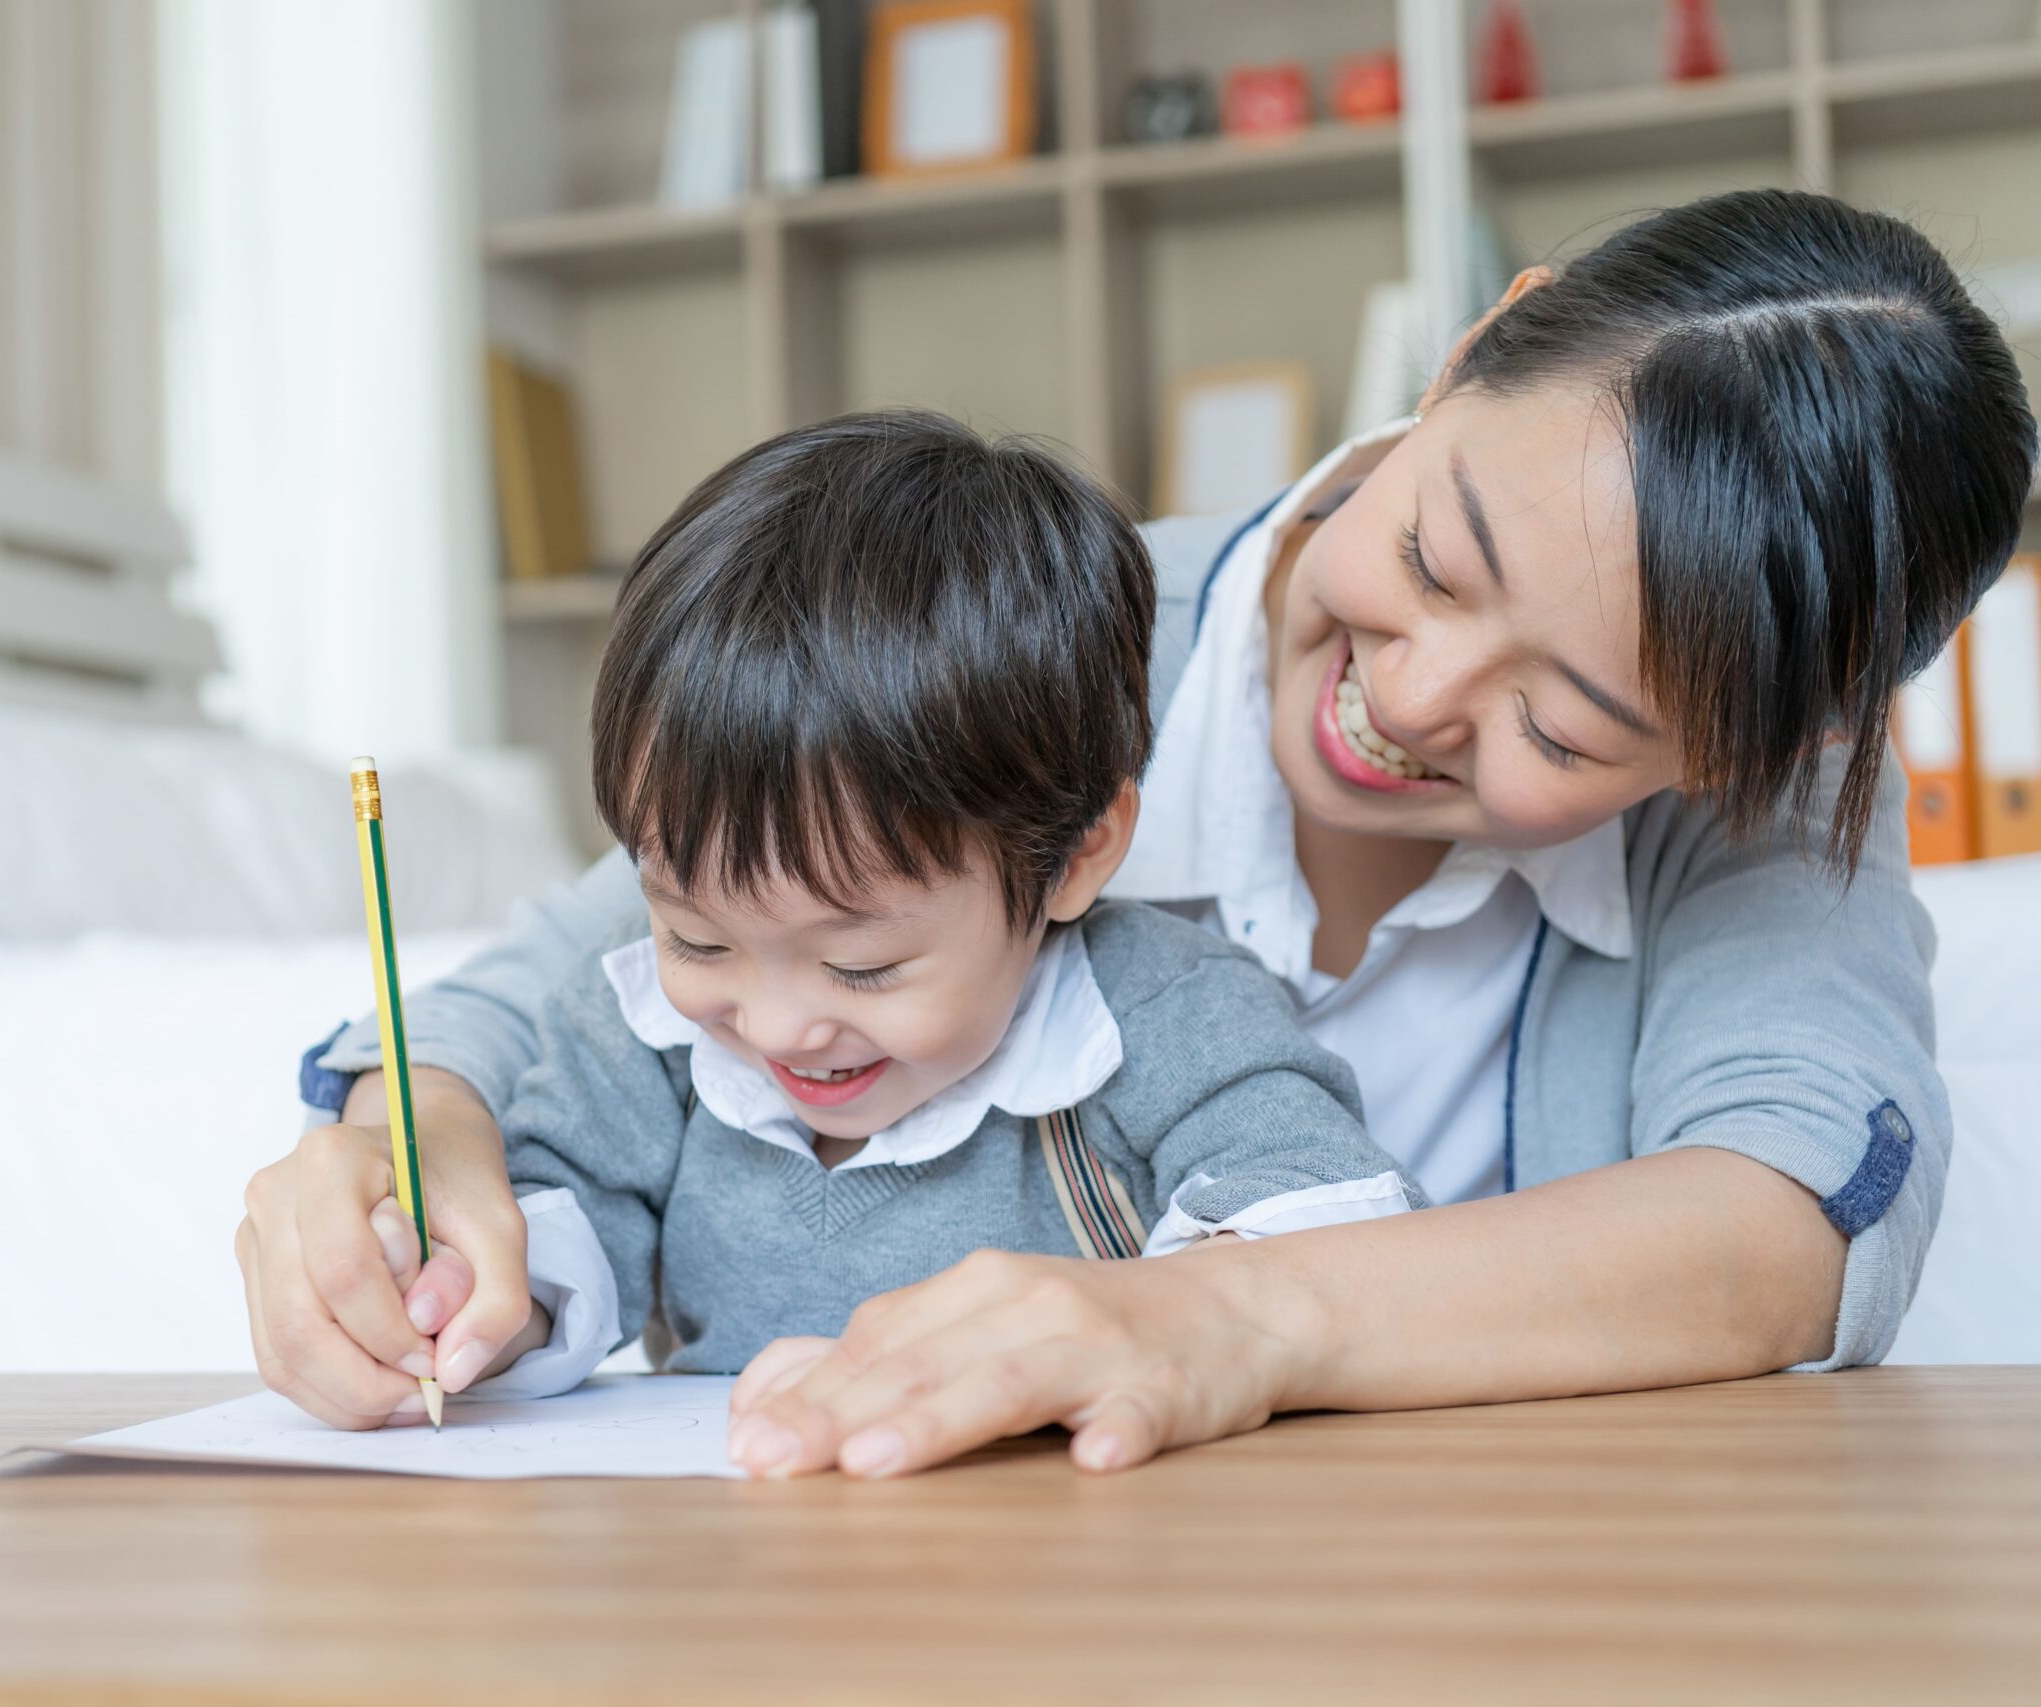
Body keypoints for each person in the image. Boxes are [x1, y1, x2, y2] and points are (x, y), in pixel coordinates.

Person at [238, 188, 2037, 1477]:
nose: (1411, 700)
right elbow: (589, 963)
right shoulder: (1067, 643)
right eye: (1427, 556)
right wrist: (412, 1152)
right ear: (1487, 334)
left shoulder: (1761, 801)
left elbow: (1790, 1219)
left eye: (1561, 723)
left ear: (1754, 737)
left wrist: (1232, 1316)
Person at [411, 412, 1416, 1407]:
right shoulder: (637, 1029)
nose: (773, 1025)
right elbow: (555, 1229)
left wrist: (1180, 1308)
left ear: (1075, 852)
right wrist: (471, 1303)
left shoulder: (1165, 1016)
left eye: (861, 966)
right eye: (699, 938)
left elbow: (1324, 1233)